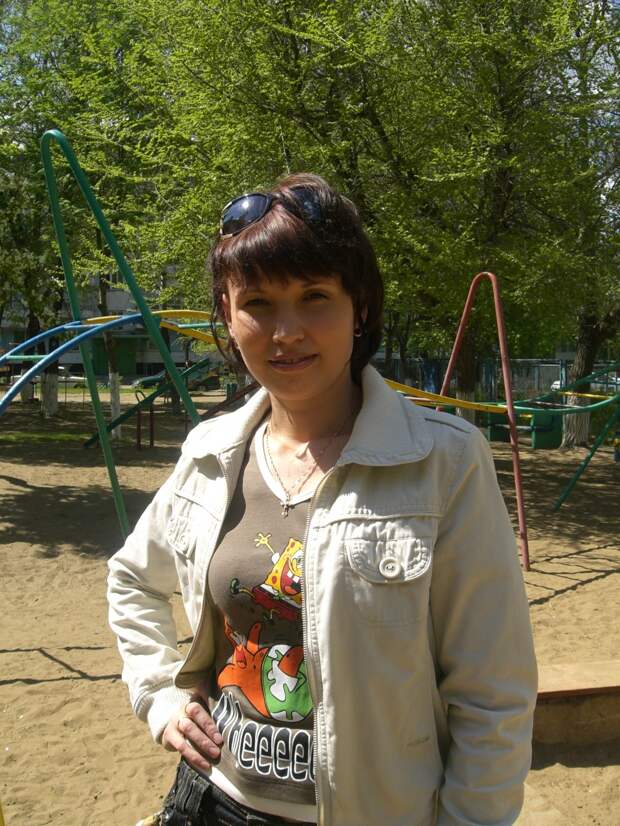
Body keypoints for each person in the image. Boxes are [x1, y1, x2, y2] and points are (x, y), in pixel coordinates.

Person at [107, 174, 537, 826]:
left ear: (358, 306)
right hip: (212, 803)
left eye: (314, 297)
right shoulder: (211, 454)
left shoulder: (442, 463)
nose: (287, 331)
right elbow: (132, 578)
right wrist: (160, 697)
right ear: (227, 314)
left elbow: (493, 694)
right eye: (258, 303)